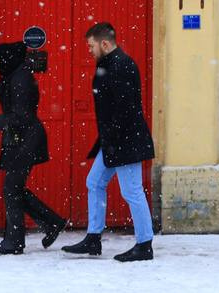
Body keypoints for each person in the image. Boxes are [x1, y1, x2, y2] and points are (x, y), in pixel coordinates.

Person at [61, 22, 156, 262]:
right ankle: (93, 239)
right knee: (94, 182)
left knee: (132, 191)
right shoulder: (108, 64)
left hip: (125, 141)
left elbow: (125, 110)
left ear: (105, 43)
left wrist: (114, 142)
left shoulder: (122, 65)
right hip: (113, 141)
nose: (89, 51)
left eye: (91, 46)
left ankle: (144, 245)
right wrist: (107, 141)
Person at [0, 41, 67, 255]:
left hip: (26, 139)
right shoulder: (14, 75)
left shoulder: (21, 79)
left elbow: (22, 116)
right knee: (14, 189)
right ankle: (51, 223)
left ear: (6, 60)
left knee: (11, 188)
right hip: (19, 138)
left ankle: (15, 241)